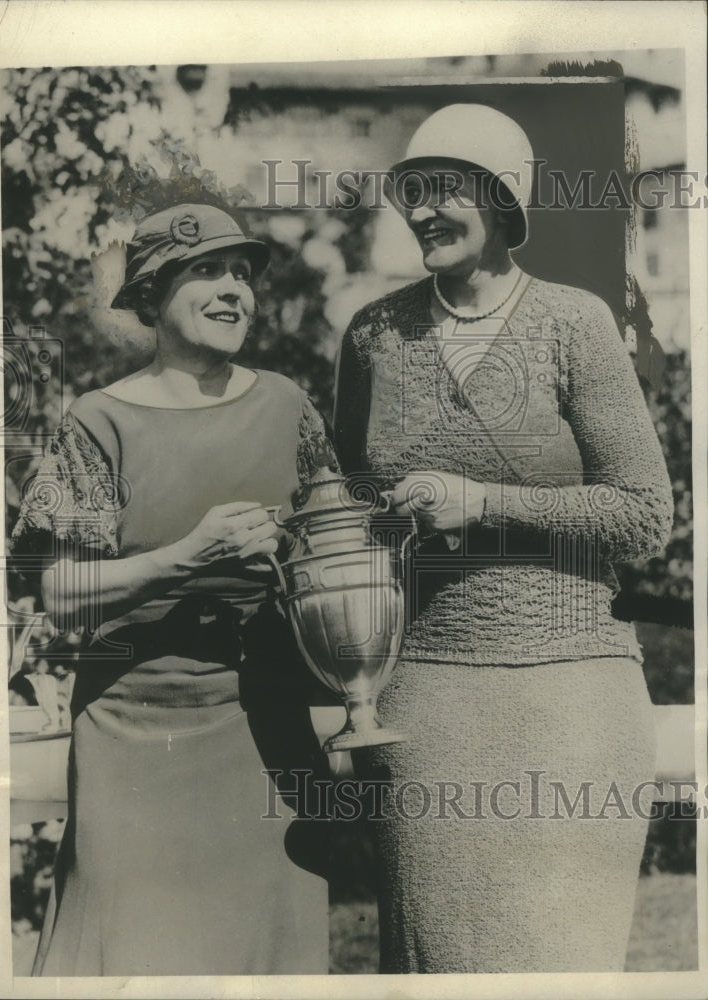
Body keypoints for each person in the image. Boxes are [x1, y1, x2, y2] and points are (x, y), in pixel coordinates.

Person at [334, 104, 674, 973]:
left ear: (501, 200)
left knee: (562, 963)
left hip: (573, 695)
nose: (418, 213)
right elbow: (347, 515)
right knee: (437, 963)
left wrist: (481, 502)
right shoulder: (372, 337)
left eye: (442, 191)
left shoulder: (574, 323)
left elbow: (642, 512)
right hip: (427, 700)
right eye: (409, 193)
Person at [12, 201, 338, 976]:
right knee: (132, 965)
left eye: (243, 274)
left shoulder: (289, 407)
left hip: (270, 740)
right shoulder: (99, 422)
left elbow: (334, 542)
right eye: (207, 271)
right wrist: (189, 555)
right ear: (153, 295)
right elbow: (61, 595)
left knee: (269, 966)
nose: (235, 291)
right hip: (136, 741)